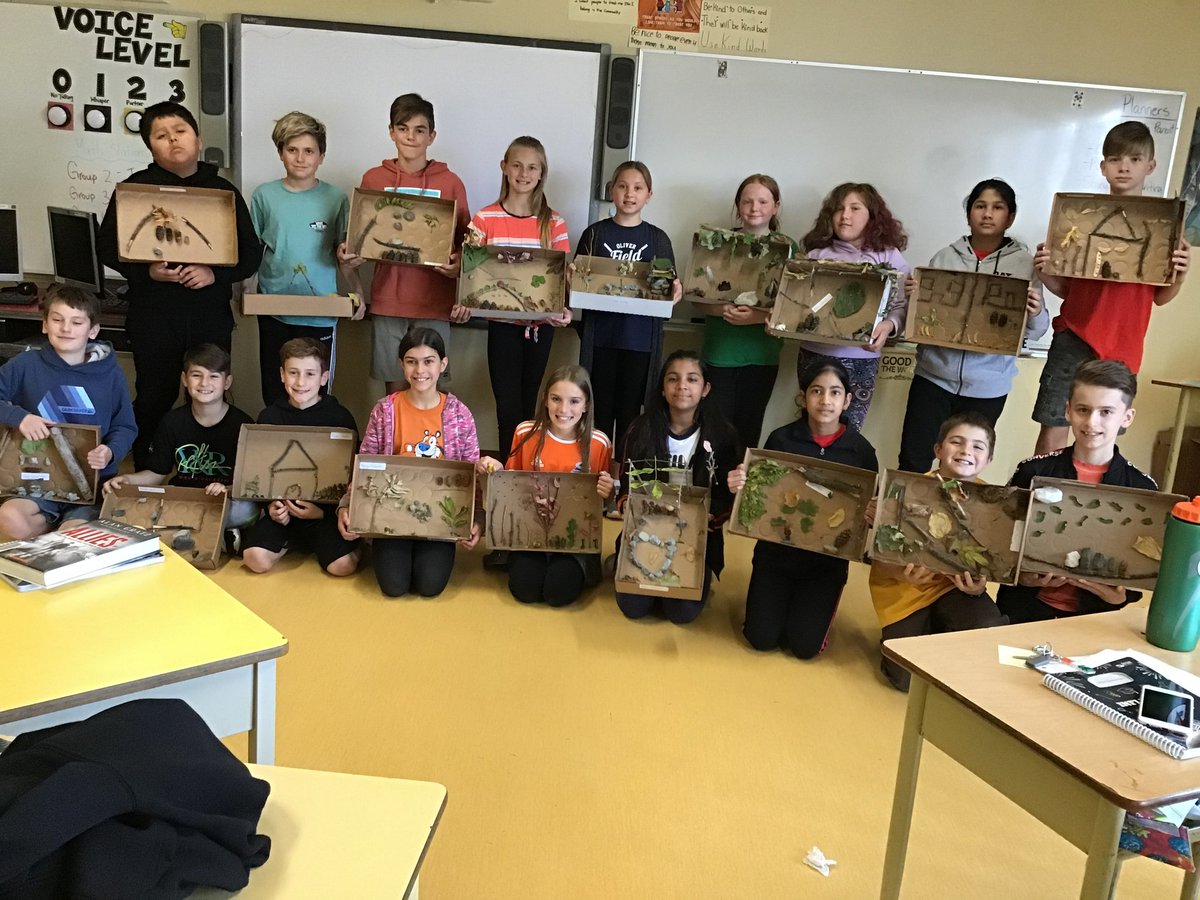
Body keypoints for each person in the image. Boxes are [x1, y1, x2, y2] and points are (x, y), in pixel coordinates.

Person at [97, 101, 262, 469]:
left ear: (198, 139)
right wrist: (147, 272)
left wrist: (214, 274)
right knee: (153, 397)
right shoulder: (134, 189)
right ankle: (145, 476)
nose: (173, 140)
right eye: (161, 135)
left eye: (181, 131)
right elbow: (106, 247)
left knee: (208, 396)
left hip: (208, 315)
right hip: (153, 315)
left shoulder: (223, 191)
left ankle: (205, 478)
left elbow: (251, 254)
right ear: (150, 147)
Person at [1031, 121, 1191, 455]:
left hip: (1123, 344)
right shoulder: (1079, 221)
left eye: (1134, 159)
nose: (1124, 166)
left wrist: (1181, 275)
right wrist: (1045, 272)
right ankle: (1041, 499)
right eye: (1116, 159)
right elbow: (1067, 290)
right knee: (1054, 425)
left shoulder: (1163, 227)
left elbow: (1160, 297)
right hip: (1074, 336)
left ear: (1150, 166)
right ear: (1103, 167)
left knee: (1099, 436)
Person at [729, 357, 878, 658]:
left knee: (804, 648)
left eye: (835, 392)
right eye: (816, 391)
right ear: (803, 397)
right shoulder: (781, 439)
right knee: (761, 638)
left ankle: (814, 610)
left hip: (825, 565)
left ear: (848, 400)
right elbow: (762, 493)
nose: (825, 400)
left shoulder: (861, 451)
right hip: (776, 554)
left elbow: (867, 508)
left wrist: (872, 514)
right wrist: (741, 486)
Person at [897, 178, 1048, 472]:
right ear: (969, 214)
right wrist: (914, 298)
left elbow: (1037, 331)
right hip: (933, 378)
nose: (988, 214)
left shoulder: (1024, 265)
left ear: (1011, 216)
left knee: (965, 466)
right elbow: (922, 320)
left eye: (997, 207)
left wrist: (1037, 311)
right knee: (913, 459)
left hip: (987, 388)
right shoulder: (944, 257)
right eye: (980, 206)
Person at [998, 360, 1155, 623]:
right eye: (1083, 409)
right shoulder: (1033, 472)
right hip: (1025, 611)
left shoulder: (1141, 488)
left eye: (1106, 412)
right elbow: (1001, 539)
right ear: (1068, 411)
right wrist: (1021, 577)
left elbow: (1140, 568)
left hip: (1096, 620)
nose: (1092, 422)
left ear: (1126, 417)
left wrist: (1120, 597)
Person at [336, 328, 482, 597]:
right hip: (391, 514)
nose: (420, 370)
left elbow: (471, 469)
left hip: (439, 518)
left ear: (443, 364)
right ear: (401, 365)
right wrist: (347, 506)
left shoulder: (459, 413)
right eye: (411, 361)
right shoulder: (385, 410)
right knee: (393, 586)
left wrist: (476, 518)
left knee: (429, 586)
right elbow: (366, 463)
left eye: (429, 361)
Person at [340, 93, 470, 394]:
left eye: (420, 130)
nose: (410, 137)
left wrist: (458, 264)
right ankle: (395, 444)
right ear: (391, 132)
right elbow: (359, 237)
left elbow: (467, 244)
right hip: (388, 300)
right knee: (395, 394)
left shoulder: (450, 182)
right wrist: (352, 253)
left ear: (432, 136)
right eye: (403, 128)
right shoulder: (373, 179)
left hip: (434, 303)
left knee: (431, 393)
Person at [869, 412, 1010, 691]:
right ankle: (911, 639)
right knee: (904, 680)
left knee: (987, 632)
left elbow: (991, 561)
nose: (966, 451)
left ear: (989, 459)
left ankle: (941, 633)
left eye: (978, 447)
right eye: (956, 442)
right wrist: (903, 574)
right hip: (905, 593)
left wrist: (978, 586)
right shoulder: (904, 489)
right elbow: (878, 560)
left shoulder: (992, 502)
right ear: (938, 450)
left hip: (954, 590)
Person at [613, 350, 741, 623]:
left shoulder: (722, 436)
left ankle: (696, 575)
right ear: (662, 388)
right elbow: (626, 485)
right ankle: (622, 558)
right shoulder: (640, 430)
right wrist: (628, 508)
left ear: (705, 389)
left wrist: (710, 518)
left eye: (692, 379)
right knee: (633, 608)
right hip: (648, 530)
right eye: (673, 379)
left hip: (695, 536)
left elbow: (724, 498)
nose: (682, 386)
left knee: (680, 614)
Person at [0, 285, 136, 538]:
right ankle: (52, 534)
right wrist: (20, 417)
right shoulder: (23, 365)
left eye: (76, 322)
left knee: (76, 536)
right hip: (35, 482)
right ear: (44, 325)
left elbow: (125, 427)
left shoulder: (111, 374)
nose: (65, 328)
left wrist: (110, 451)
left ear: (92, 330)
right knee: (8, 517)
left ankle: (63, 532)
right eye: (57, 320)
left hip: (91, 487)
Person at [467, 136, 572, 456]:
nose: (523, 174)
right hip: (502, 327)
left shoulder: (553, 223)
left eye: (532, 168)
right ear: (504, 168)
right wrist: (462, 302)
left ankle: (527, 471)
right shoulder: (484, 219)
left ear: (542, 173)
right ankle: (507, 473)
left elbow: (561, 279)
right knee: (507, 409)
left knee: (531, 407)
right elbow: (469, 274)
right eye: (516, 165)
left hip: (541, 328)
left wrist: (563, 309)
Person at [477, 366, 613, 607]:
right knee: (525, 589)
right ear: (545, 400)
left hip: (574, 542)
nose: (563, 409)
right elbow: (511, 484)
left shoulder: (599, 443)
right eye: (556, 399)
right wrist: (495, 471)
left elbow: (602, 504)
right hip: (530, 534)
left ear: (586, 405)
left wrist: (608, 492)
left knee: (557, 593)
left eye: (574, 401)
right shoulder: (526, 433)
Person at [250, 110, 361, 406]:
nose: (300, 158)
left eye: (309, 151)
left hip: (320, 313)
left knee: (316, 394)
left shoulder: (336, 199)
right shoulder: (264, 196)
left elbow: (345, 256)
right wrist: (243, 293)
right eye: (292, 150)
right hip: (274, 309)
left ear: (321, 156)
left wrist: (359, 294)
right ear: (281, 153)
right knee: (275, 390)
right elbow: (252, 251)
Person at [101, 343, 257, 552]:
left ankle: (195, 531)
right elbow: (158, 473)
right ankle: (213, 534)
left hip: (225, 501)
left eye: (214, 376)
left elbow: (250, 484)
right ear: (184, 379)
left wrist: (226, 489)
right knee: (143, 506)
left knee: (246, 509)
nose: (204, 383)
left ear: (227, 382)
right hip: (184, 498)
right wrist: (127, 480)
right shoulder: (172, 421)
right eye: (196, 375)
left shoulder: (243, 425)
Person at [574, 161, 682, 454]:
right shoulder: (595, 234)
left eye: (638, 188)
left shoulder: (658, 239)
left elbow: (668, 287)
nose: (629, 193)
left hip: (641, 346)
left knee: (633, 417)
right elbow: (576, 286)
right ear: (612, 191)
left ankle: (623, 481)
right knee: (598, 413)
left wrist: (675, 290)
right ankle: (596, 474)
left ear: (649, 195)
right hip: (601, 342)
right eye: (622, 186)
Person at [241, 338, 360, 577]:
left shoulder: (339, 417)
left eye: (310, 374)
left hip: (324, 516)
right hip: (283, 516)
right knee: (255, 560)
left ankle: (357, 548)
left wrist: (324, 513)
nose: (300, 382)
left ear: (323, 378)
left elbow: (354, 476)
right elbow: (259, 473)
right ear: (282, 375)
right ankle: (290, 544)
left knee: (343, 567)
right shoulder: (269, 417)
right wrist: (271, 507)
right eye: (293, 373)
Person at [796, 183, 910, 431]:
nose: (845, 216)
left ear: (872, 215)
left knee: (850, 429)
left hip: (861, 357)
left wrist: (890, 325)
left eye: (855, 208)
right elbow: (798, 303)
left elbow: (902, 304)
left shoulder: (889, 257)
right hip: (815, 353)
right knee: (811, 426)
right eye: (838, 209)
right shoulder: (815, 256)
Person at [701, 174, 793, 450]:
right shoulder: (717, 244)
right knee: (713, 433)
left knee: (748, 432)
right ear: (738, 205)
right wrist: (720, 309)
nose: (755, 208)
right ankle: (712, 492)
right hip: (720, 354)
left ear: (775, 206)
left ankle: (737, 494)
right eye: (748, 201)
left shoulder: (788, 249)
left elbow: (794, 309)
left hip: (761, 357)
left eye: (763, 201)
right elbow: (695, 298)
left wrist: (754, 317)